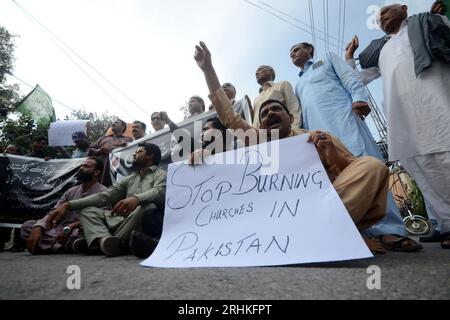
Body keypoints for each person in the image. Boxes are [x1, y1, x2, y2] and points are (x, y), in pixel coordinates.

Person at [193, 41, 391, 253]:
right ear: (259, 126)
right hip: (273, 218)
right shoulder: (258, 141)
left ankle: (322, 233)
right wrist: (207, 69)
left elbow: (352, 170)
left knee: (373, 166)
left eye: (276, 109)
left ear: (290, 117)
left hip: (320, 211)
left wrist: (333, 155)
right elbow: (228, 115)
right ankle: (327, 238)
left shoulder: (316, 138)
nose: (270, 114)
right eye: (264, 114)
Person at [291, 41, 421, 252]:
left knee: (369, 169)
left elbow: (350, 77)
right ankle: (355, 235)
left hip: (345, 123)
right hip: (321, 138)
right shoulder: (297, 84)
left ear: (310, 50)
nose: (293, 54)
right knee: (337, 179)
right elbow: (302, 116)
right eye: (290, 53)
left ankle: (389, 229)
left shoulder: (327, 58)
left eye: (296, 49)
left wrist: (359, 98)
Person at [345, 2, 450, 249]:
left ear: (404, 8)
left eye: (385, 12)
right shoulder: (382, 49)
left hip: (438, 106)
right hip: (405, 118)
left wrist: (441, 17)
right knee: (422, 169)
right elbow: (359, 79)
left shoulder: (427, 24)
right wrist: (349, 58)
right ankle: (446, 224)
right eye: (379, 17)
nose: (381, 18)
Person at [48, 142, 166, 257]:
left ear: (150, 155)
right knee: (88, 211)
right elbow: (105, 196)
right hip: (121, 221)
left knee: (147, 207)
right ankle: (106, 241)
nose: (134, 154)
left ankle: (100, 243)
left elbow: (160, 191)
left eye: (139, 151)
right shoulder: (129, 179)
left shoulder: (161, 174)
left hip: (140, 220)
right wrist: (68, 205)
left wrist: (136, 199)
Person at [20, 157, 106, 254]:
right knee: (27, 226)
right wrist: (38, 227)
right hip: (59, 230)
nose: (81, 168)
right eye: (81, 165)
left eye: (86, 166)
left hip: (79, 230)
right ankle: (60, 246)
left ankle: (52, 246)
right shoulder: (71, 191)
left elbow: (100, 218)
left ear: (96, 172)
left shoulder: (104, 192)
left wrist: (70, 227)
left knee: (86, 234)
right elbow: (54, 212)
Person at [88, 119, 133, 186]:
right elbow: (90, 150)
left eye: (116, 122)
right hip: (98, 172)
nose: (113, 124)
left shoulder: (128, 140)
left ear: (123, 126)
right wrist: (101, 150)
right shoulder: (103, 138)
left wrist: (125, 146)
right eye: (112, 123)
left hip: (117, 173)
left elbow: (131, 155)